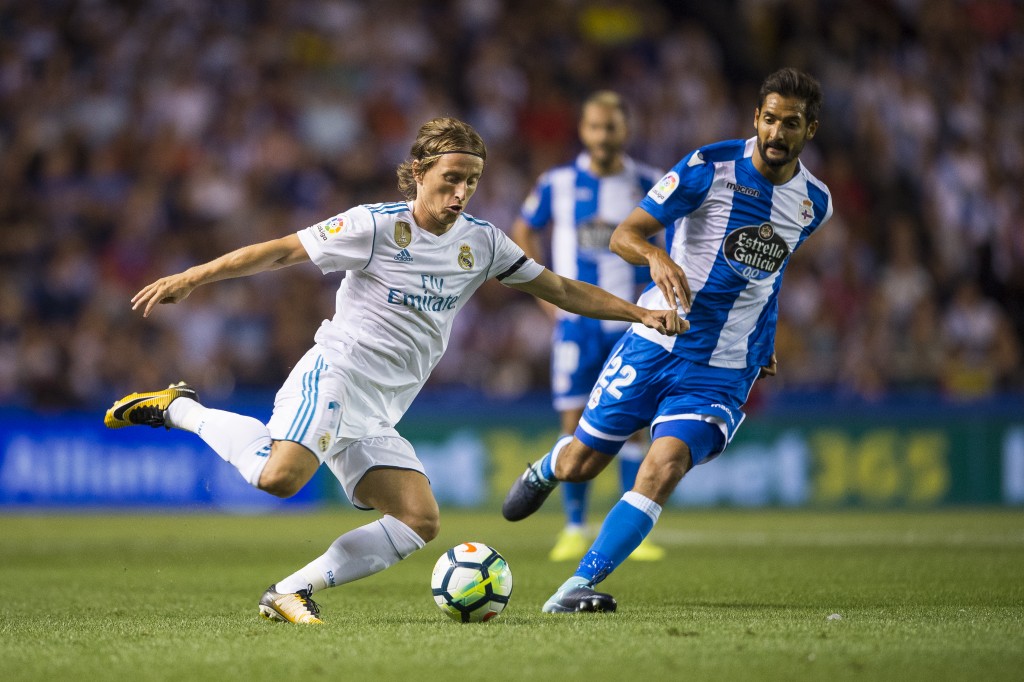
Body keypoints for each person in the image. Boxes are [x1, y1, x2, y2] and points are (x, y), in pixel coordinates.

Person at [103, 117, 683, 625]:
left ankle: (288, 591)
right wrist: (191, 278)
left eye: (471, 181)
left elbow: (557, 287)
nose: (461, 193)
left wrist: (639, 313)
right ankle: (179, 408)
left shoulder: (482, 243)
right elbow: (281, 251)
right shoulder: (375, 226)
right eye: (450, 178)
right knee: (279, 479)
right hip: (336, 373)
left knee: (419, 519)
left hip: (382, 408)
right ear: (418, 172)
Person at [502, 68, 833, 613]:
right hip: (655, 340)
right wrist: (657, 255)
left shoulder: (813, 203)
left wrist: (765, 337)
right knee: (585, 462)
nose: (777, 133)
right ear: (756, 119)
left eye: (790, 124)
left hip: (724, 367)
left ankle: (574, 587)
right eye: (769, 119)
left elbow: (770, 276)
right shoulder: (708, 167)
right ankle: (550, 466)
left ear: (809, 130)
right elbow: (623, 234)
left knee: (665, 462)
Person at [511, 91, 666, 562]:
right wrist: (542, 294)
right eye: (596, 127)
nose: (603, 136)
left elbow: (673, 240)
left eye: (611, 127)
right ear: (583, 131)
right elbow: (522, 228)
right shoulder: (556, 182)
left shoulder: (650, 182)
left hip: (629, 321)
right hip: (575, 325)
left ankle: (630, 531)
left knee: (633, 425)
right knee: (573, 422)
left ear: (625, 130)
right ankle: (575, 528)